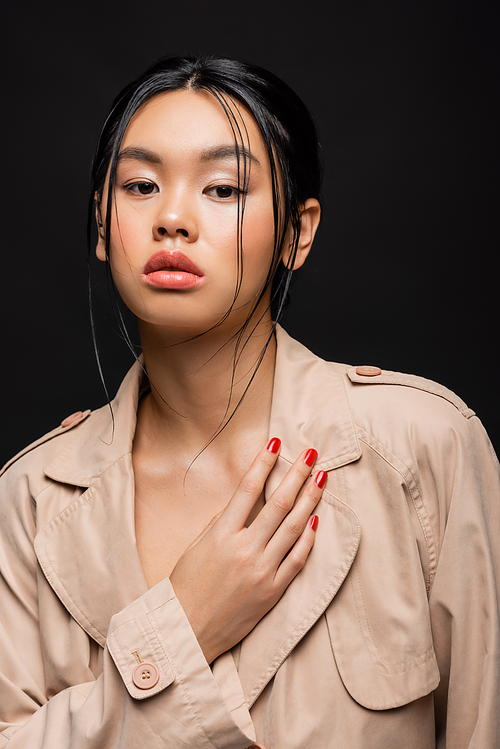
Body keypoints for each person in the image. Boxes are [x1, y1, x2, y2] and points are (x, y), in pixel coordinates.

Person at [0, 55, 498, 749]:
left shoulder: (423, 448)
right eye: (141, 184)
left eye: (223, 188)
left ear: (297, 232)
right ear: (102, 227)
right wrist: (185, 627)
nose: (172, 218)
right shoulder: (29, 502)